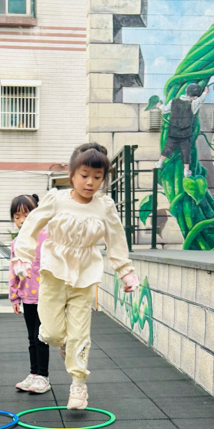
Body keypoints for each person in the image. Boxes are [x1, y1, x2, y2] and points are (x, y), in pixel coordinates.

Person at [11, 143, 138, 410]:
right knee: (52, 334)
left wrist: (125, 271)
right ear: (71, 174)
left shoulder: (104, 206)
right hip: (54, 274)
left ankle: (78, 385)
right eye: (84, 175)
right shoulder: (56, 200)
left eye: (97, 177)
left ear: (103, 179)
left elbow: (116, 239)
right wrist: (22, 258)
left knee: (81, 333)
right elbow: (31, 227)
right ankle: (64, 344)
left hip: (85, 276)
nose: (90, 182)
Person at [9, 193, 50, 394]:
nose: (22, 221)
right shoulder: (16, 243)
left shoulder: (47, 238)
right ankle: (34, 373)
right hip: (28, 297)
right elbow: (13, 271)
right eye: (17, 217)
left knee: (41, 336)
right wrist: (14, 296)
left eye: (26, 215)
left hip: (47, 296)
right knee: (31, 338)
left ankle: (43, 376)